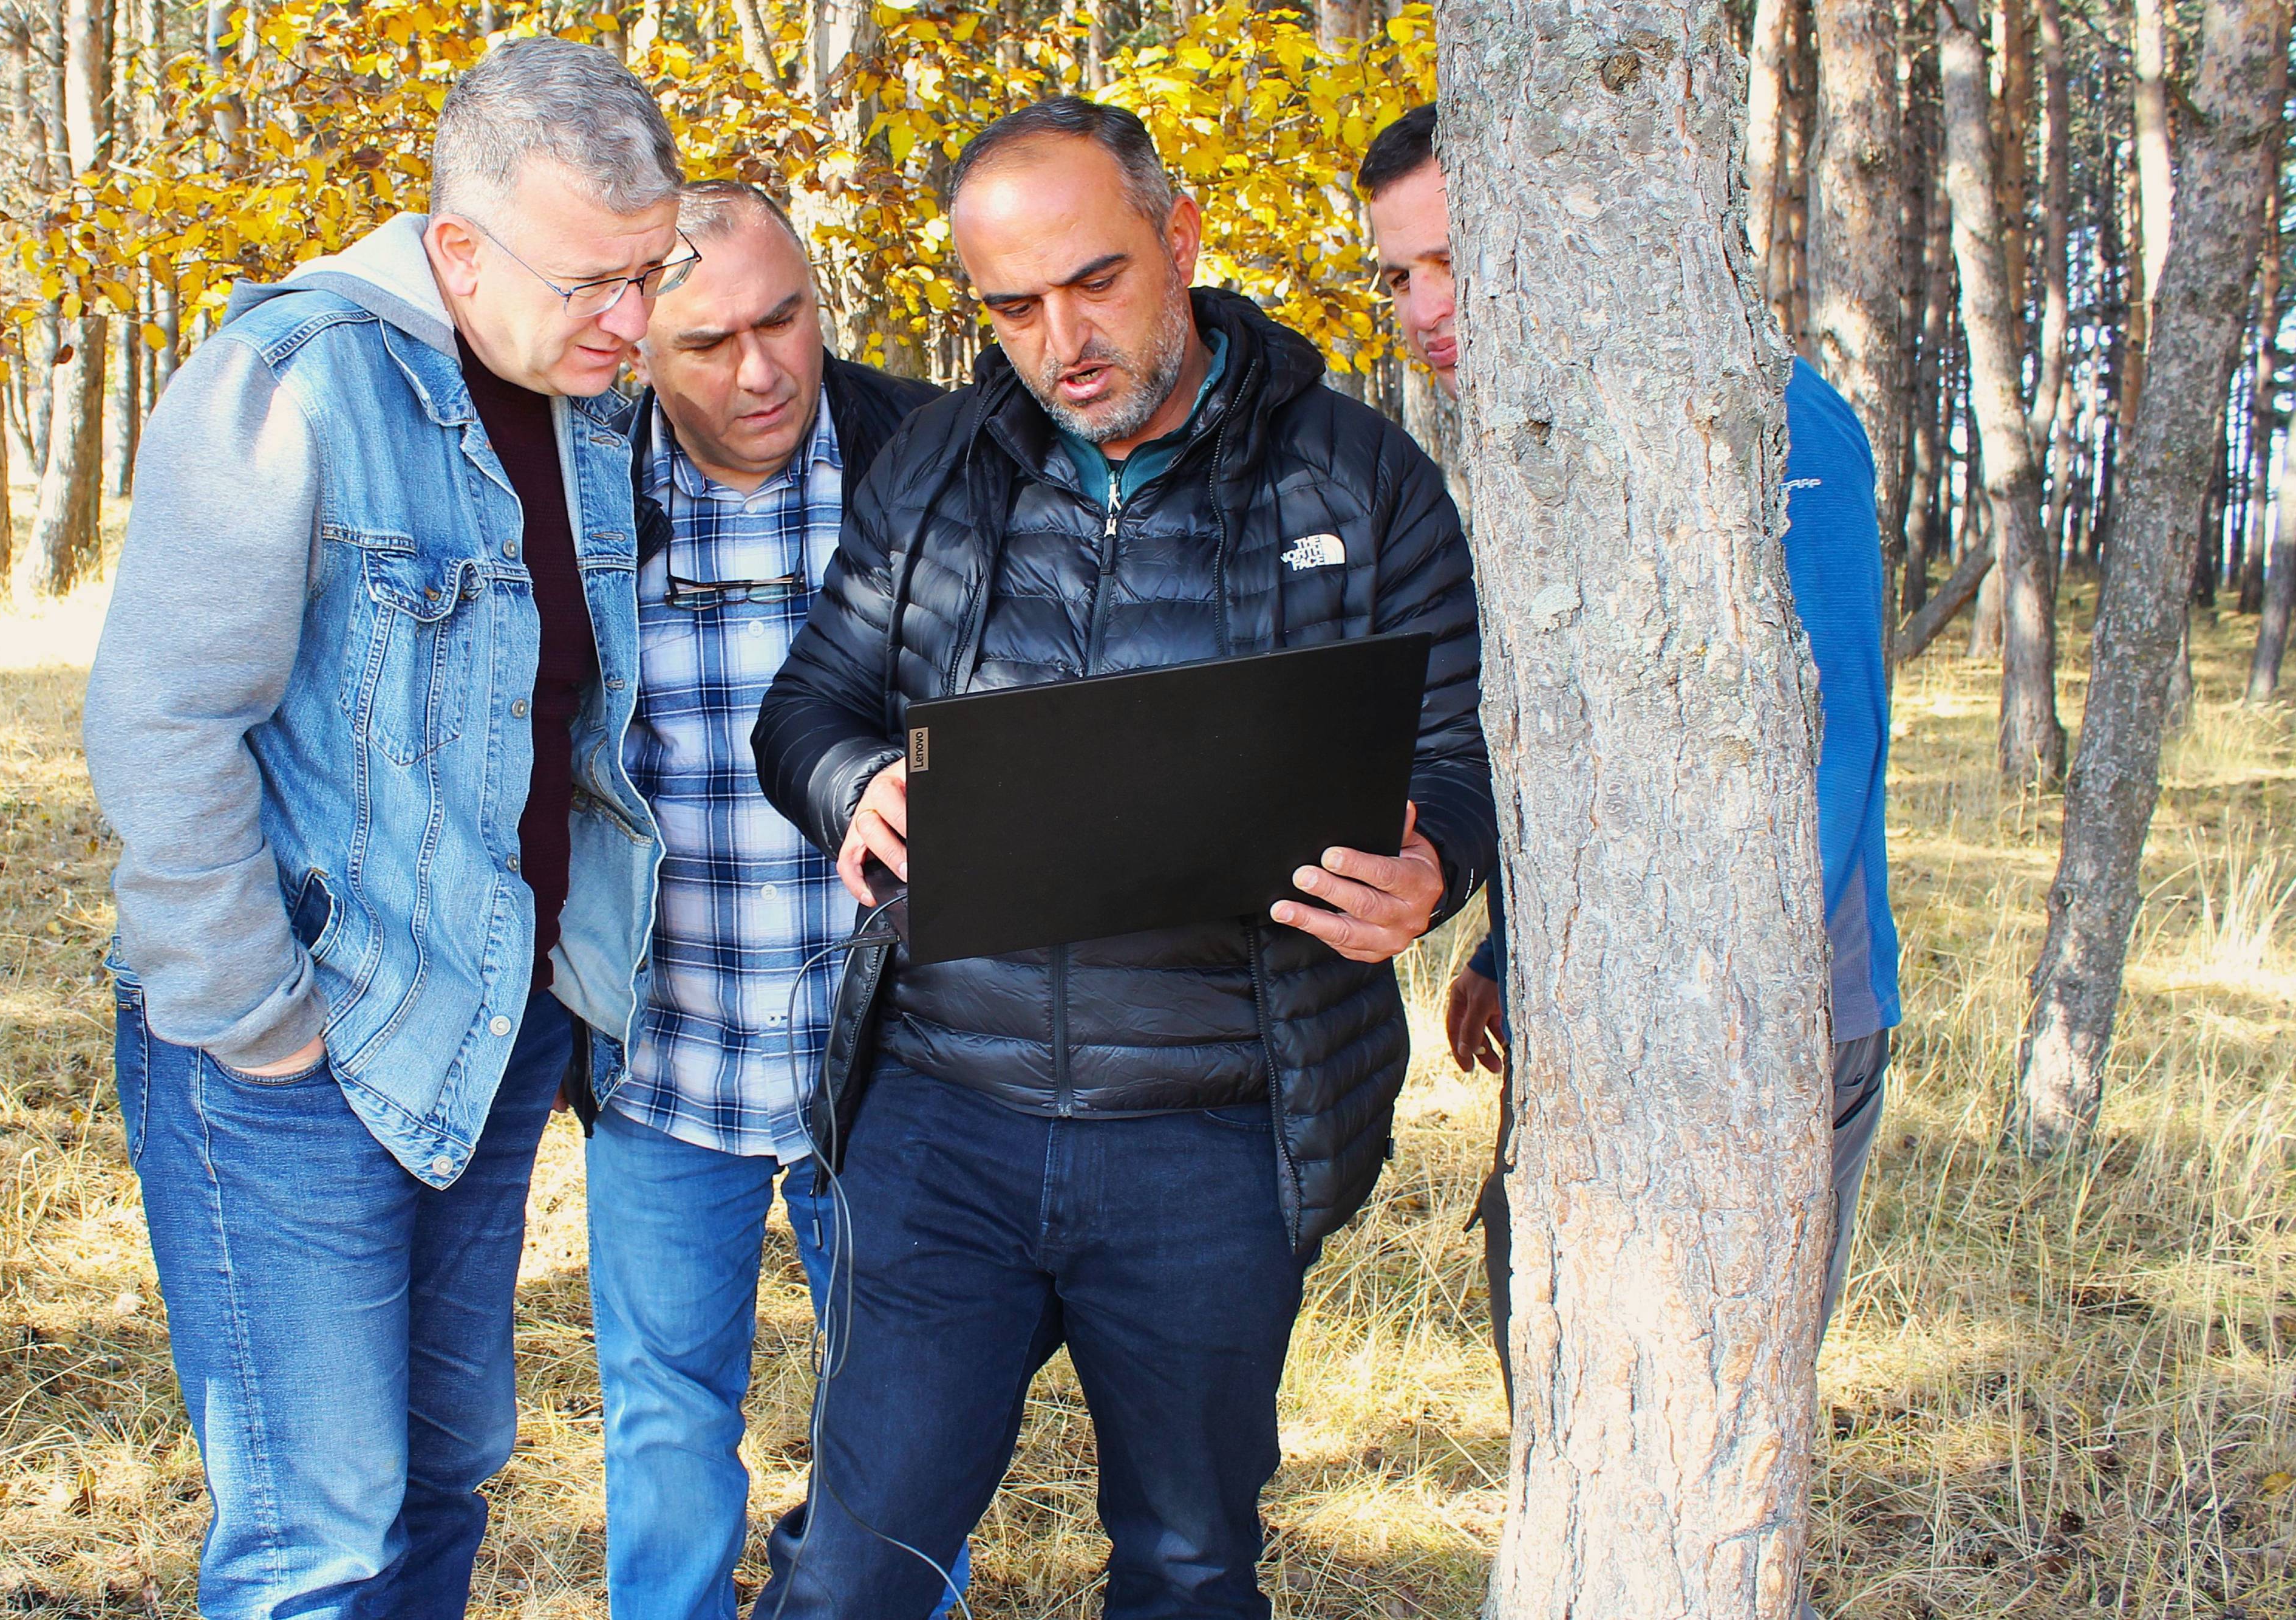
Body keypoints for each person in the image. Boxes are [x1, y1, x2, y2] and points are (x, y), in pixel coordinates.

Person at [747, 97, 1493, 1619]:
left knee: (1188, 1560)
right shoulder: (938, 468)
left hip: (1218, 1125)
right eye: (1011, 307)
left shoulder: (1354, 479)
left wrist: (1433, 870)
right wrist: (850, 782)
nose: (1061, 341)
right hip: (943, 1113)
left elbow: (1456, 753)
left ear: (1180, 240)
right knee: (855, 1564)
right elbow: (806, 707)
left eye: (1095, 281)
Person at [80, 39, 687, 1618]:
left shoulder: (586, 404)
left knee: (442, 1471)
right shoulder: (291, 382)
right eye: (593, 282)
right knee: (319, 1535)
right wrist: (255, 1016)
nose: (633, 320)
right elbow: (162, 719)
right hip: (306, 1044)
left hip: (494, 1030)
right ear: (460, 250)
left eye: (652, 272)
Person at [1360, 101, 1902, 1412]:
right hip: (1598, 1006)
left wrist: (1721, 1013)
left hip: (1757, 1015)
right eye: (1399, 275)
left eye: (1455, 260)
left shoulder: (1765, 414)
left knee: (1704, 1410)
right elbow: (1580, 743)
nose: (1425, 307)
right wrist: (1515, 951)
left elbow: (1829, 739)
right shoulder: (1543, 435)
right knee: (1558, 1373)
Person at [582, 180, 959, 1620]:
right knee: (666, 1415)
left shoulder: (931, 457)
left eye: (784, 317)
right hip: (663, 1058)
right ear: (634, 340)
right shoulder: (583, 488)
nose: (761, 369)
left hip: (897, 1060)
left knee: (901, 1420)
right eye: (708, 342)